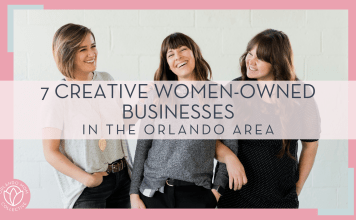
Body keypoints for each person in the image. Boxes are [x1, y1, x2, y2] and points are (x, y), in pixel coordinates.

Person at [129, 32, 245, 208]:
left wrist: (216, 192)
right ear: (167, 63)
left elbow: (230, 145)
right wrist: (134, 194)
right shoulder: (158, 93)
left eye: (183, 49)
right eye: (171, 54)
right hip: (153, 192)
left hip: (196, 194)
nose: (178, 57)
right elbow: (143, 144)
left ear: (195, 53)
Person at [217, 29, 319, 208]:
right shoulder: (234, 90)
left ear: (277, 63)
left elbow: (310, 143)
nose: (251, 61)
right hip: (236, 198)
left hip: (281, 201)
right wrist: (229, 158)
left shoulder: (301, 95)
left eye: (261, 58)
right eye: (250, 53)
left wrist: (297, 188)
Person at [42, 23, 131, 209]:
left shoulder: (106, 80)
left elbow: (120, 122)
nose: (92, 53)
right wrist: (87, 179)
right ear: (67, 54)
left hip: (122, 179)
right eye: (83, 49)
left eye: (93, 46)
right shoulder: (57, 96)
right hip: (88, 188)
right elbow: (50, 152)